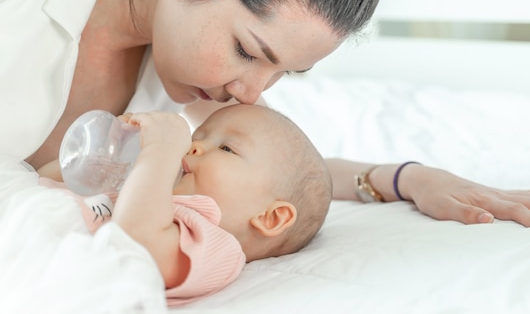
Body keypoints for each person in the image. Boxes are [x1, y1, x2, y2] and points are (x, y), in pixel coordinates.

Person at [0, 0, 530, 233]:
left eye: (285, 73)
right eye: (250, 52)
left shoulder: (191, 66)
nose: (253, 94)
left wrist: (405, 178)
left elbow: (265, 172)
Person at [38, 104, 332, 306]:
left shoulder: (220, 249)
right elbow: (44, 180)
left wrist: (161, 150)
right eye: (196, 137)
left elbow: (135, 243)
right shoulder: (147, 191)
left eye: (226, 148)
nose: (193, 146)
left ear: (271, 217)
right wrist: (108, 150)